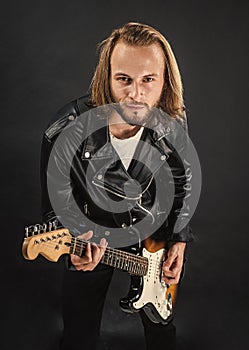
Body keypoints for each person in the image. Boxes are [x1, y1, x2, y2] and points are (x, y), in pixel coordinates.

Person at [40, 22, 194, 350]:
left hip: (154, 238)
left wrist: (178, 239)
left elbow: (183, 181)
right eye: (123, 79)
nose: (135, 94)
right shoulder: (64, 132)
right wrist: (73, 248)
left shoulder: (173, 122)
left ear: (165, 81)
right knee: (78, 335)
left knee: (161, 329)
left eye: (148, 80)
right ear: (106, 77)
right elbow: (54, 208)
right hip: (92, 238)